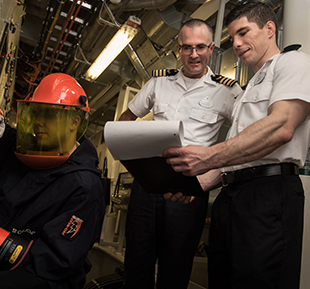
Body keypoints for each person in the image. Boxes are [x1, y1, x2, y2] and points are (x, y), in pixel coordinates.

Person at [163, 2, 310, 289]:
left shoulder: (293, 63)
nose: (238, 44)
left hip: (268, 194)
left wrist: (208, 156)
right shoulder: (248, 87)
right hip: (233, 196)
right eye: (233, 38)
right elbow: (239, 155)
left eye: (244, 33)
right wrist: (195, 185)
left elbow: (281, 127)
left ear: (269, 29)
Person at [119, 19, 240, 288]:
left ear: (211, 48)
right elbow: (126, 119)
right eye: (187, 48)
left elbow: (243, 134)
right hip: (147, 183)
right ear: (178, 49)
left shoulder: (228, 91)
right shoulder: (158, 83)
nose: (193, 54)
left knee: (176, 267)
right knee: (136, 263)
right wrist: (133, 158)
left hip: (190, 186)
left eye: (200, 47)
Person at [0, 73, 105, 289]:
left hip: (43, 278)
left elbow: (53, 262)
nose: (38, 122)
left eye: (49, 115)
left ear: (74, 122)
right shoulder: (19, 152)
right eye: (36, 113)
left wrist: (5, 243)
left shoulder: (83, 188)